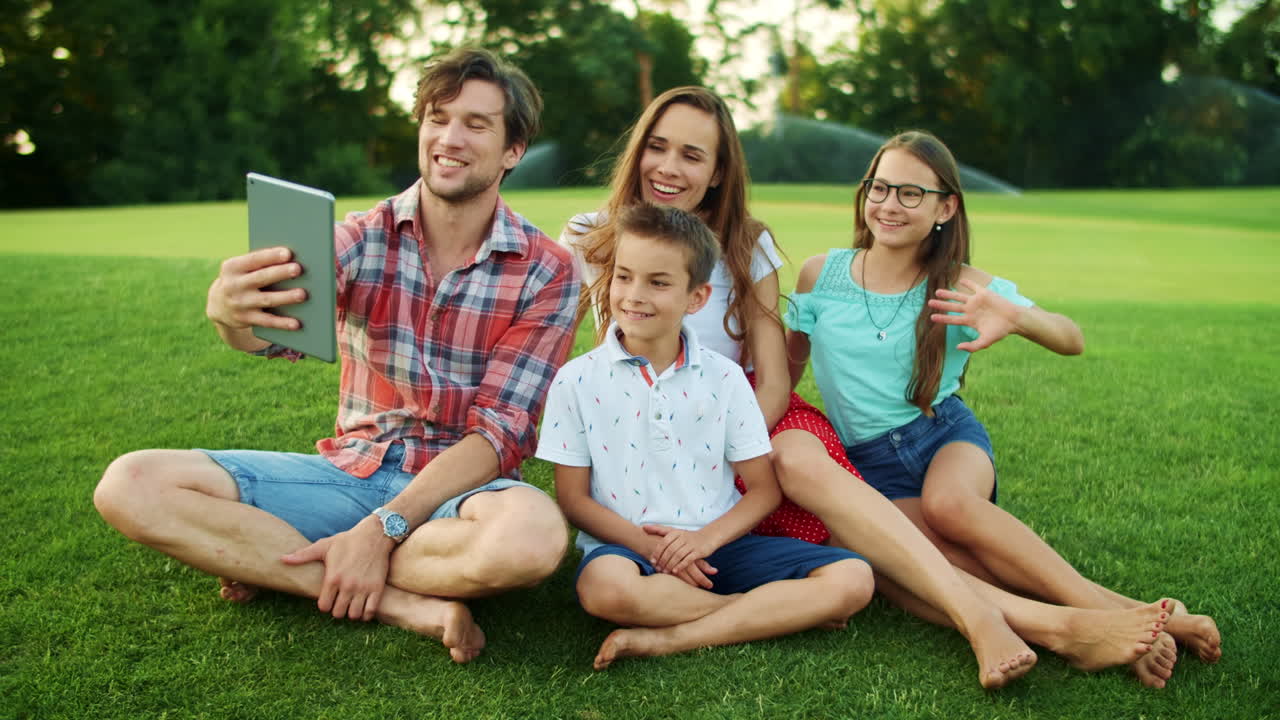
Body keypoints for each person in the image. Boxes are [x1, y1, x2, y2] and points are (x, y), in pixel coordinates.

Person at [561, 86, 1175, 689]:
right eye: (658, 147)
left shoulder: (748, 243)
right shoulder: (590, 236)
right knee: (905, 547)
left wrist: (724, 450)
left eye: (693, 155)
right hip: (653, 425)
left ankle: (1057, 618)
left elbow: (777, 377)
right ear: (638, 149)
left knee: (813, 467)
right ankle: (1059, 623)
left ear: (720, 171)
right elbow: (570, 365)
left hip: (747, 415)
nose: (669, 167)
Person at [93, 48, 580, 664]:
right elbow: (267, 334)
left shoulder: (549, 271)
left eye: (476, 124)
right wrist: (227, 312)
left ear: (514, 149)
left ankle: (285, 559)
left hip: (463, 495)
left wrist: (385, 528)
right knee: (130, 483)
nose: (448, 138)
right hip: (351, 472)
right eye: (437, 117)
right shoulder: (359, 236)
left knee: (534, 541)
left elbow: (500, 435)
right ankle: (394, 599)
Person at [784, 129, 1222, 688]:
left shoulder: (963, 283)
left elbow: (1071, 336)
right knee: (923, 566)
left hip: (942, 437)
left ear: (946, 206)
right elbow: (789, 367)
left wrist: (1016, 317)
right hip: (868, 466)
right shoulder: (820, 276)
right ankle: (1142, 616)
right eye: (880, 187)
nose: (890, 205)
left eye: (911, 194)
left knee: (948, 506)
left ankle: (1105, 616)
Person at [538, 203, 874, 669]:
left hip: (720, 545)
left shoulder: (728, 378)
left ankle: (668, 638)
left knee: (854, 577)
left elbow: (763, 490)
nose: (635, 295)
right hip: (628, 550)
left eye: (658, 282)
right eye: (624, 276)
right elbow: (573, 500)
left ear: (696, 299)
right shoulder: (575, 381)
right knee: (603, 590)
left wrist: (703, 542)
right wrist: (653, 547)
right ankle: (767, 613)